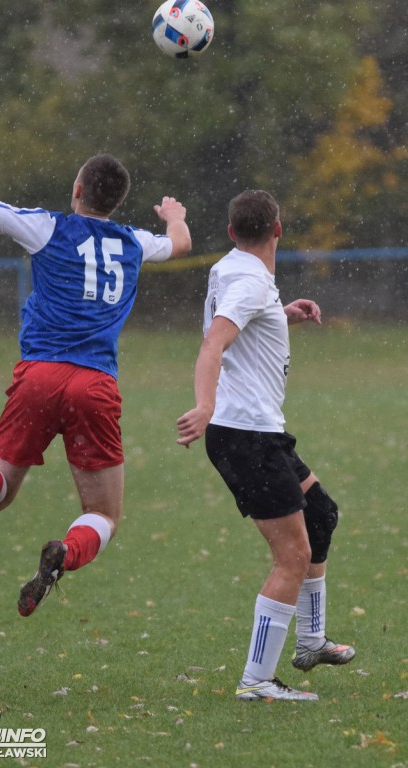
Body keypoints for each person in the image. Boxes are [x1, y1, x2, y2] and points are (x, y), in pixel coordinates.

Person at [0, 121, 192, 617]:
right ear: (116, 202)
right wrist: (174, 216)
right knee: (103, 513)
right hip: (95, 383)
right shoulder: (135, 242)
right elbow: (179, 243)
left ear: (77, 190)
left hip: (39, 376)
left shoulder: (48, 226)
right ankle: (64, 555)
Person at [176, 189, 354, 701]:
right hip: (243, 434)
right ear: (279, 229)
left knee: (319, 514)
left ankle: (312, 642)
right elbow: (214, 342)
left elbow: (243, 311)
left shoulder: (234, 269)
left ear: (232, 233)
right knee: (292, 554)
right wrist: (205, 404)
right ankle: (256, 681)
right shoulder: (251, 283)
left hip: (258, 431)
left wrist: (282, 314)